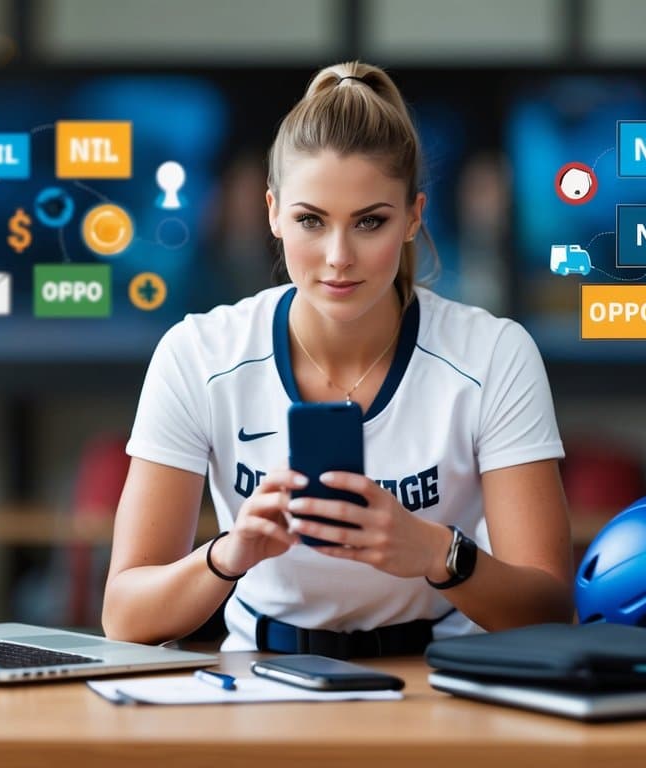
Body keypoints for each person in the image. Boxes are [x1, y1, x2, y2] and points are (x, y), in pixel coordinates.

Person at [103, 62, 572, 657]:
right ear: (273, 213)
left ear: (414, 217)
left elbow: (551, 612)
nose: (338, 257)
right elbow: (124, 616)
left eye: (370, 222)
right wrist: (227, 555)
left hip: (443, 675)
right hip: (258, 674)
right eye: (310, 221)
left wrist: (435, 554)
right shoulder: (198, 353)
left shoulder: (494, 354)